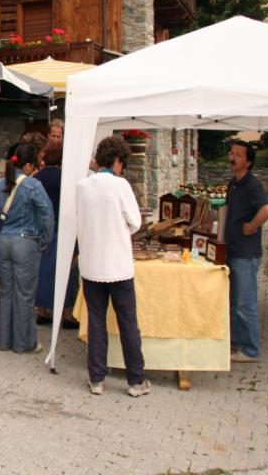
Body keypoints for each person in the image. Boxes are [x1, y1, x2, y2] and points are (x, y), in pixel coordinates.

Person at [75, 135, 150, 397]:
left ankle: (96, 379)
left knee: (96, 321)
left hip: (92, 264)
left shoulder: (82, 186)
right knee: (128, 322)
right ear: (117, 161)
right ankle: (136, 380)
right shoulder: (121, 186)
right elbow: (136, 223)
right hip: (117, 264)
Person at [0, 143, 55, 353]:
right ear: (28, 165)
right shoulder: (33, 186)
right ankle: (23, 343)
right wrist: (44, 240)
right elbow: (47, 214)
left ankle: (4, 341)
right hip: (26, 242)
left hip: (3, 242)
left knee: (6, 292)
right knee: (25, 295)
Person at [224, 140, 268, 363]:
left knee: (246, 304)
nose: (233, 158)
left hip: (246, 254)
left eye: (238, 155)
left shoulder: (252, 184)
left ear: (249, 161)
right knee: (235, 303)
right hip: (233, 250)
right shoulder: (233, 183)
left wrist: (252, 226)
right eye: (232, 153)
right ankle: (236, 344)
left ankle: (250, 350)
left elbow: (267, 209)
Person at [33, 141, 79, 328]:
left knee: (43, 271)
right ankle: (67, 313)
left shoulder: (36, 178)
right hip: (63, 229)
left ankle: (43, 311)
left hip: (41, 230)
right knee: (66, 272)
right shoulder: (66, 178)